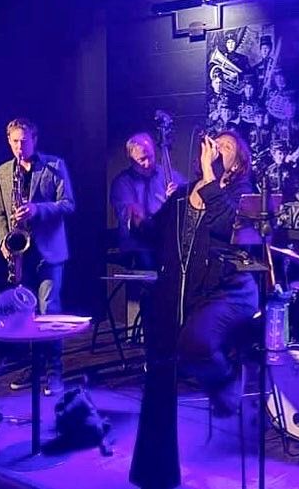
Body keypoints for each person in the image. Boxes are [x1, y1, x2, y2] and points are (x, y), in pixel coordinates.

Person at [130, 130, 257, 489]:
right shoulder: (183, 194)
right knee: (161, 360)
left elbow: (228, 226)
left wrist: (209, 178)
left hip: (230, 291)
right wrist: (136, 220)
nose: (217, 148)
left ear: (239, 161)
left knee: (196, 342)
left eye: (226, 146)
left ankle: (226, 381)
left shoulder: (244, 193)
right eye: (215, 142)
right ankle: (156, 471)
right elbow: (154, 233)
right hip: (187, 293)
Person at [0, 117, 75, 396]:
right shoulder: (1, 173)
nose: (19, 147)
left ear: (35, 140)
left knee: (49, 310)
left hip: (49, 251)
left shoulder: (55, 165)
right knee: (26, 314)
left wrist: (37, 209)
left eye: (24, 141)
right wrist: (3, 241)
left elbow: (68, 205)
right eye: (15, 141)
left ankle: (54, 372)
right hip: (20, 255)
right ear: (8, 141)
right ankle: (35, 367)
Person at [109, 132, 185, 270]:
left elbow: (189, 202)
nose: (147, 163)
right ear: (131, 160)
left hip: (168, 244)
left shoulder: (170, 175)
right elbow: (137, 222)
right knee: (146, 260)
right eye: (141, 160)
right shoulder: (123, 183)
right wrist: (166, 207)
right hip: (139, 246)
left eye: (150, 157)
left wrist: (178, 197)